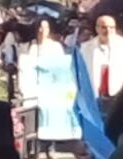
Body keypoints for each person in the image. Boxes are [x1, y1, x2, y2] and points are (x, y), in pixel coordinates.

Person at [23, 17, 82, 150]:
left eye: (45, 28)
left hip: (53, 87)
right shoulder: (31, 46)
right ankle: (35, 144)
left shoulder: (55, 46)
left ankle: (51, 144)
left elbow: (60, 67)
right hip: (36, 86)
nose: (42, 30)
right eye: (40, 27)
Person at [80, 14, 123, 110]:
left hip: (118, 94)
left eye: (111, 27)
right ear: (97, 28)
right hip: (94, 95)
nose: (108, 31)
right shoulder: (85, 47)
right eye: (104, 27)